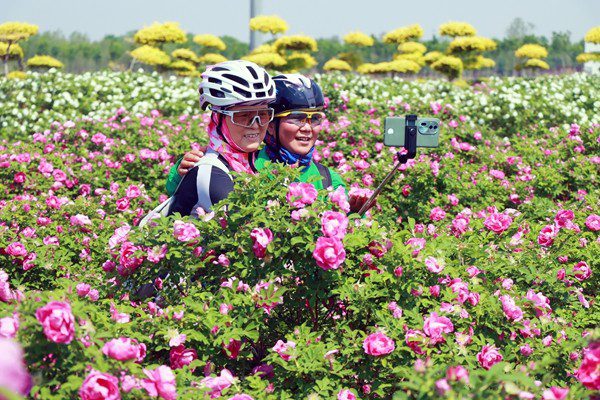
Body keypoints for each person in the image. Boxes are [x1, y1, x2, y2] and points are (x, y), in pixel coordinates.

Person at [167, 73, 373, 213]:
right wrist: (182, 170)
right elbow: (182, 197)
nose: (307, 128)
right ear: (272, 125)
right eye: (297, 118)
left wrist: (355, 212)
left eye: (315, 118)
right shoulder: (243, 165)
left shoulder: (328, 178)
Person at [167, 60, 276, 217]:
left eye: (263, 114)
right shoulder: (211, 172)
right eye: (243, 115)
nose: (255, 124)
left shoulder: (253, 161)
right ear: (219, 119)